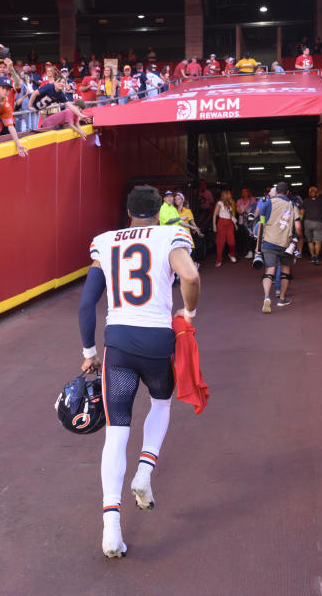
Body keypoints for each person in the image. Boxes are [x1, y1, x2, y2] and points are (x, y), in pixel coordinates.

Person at [77, 185, 200, 558]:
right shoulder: (171, 234)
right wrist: (188, 312)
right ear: (159, 210)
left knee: (116, 430)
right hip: (158, 341)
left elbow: (86, 303)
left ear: (128, 211)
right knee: (161, 404)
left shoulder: (106, 241)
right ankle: (145, 470)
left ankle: (111, 524)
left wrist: (89, 351)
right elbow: (190, 278)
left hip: (119, 343)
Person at [255, 181, 302, 312]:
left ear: (275, 192)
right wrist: (299, 238)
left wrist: (258, 244)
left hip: (268, 243)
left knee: (269, 271)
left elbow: (262, 223)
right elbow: (298, 227)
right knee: (285, 271)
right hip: (285, 245)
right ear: (288, 193)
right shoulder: (292, 205)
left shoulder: (267, 203)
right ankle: (282, 299)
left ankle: (266, 298)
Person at [29, 75, 90, 141]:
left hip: (37, 108)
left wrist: (81, 115)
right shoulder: (49, 87)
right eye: (59, 82)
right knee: (29, 126)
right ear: (55, 82)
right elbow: (34, 93)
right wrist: (30, 106)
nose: (61, 84)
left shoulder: (61, 95)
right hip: (30, 103)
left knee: (33, 126)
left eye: (63, 82)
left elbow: (70, 106)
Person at [301, 186, 322, 264]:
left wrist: (300, 220)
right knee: (318, 240)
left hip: (307, 222)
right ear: (317, 192)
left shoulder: (305, 201)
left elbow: (302, 212)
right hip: (318, 222)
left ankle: (312, 257)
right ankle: (316, 257)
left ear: (309, 193)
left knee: (310, 241)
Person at [211, 187, 238, 266]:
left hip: (229, 223)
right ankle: (219, 259)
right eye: (229, 193)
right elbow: (214, 215)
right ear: (225, 194)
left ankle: (231, 254)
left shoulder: (229, 203)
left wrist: (235, 223)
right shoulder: (219, 203)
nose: (230, 194)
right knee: (221, 242)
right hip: (222, 223)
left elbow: (230, 215)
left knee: (232, 242)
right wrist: (214, 226)